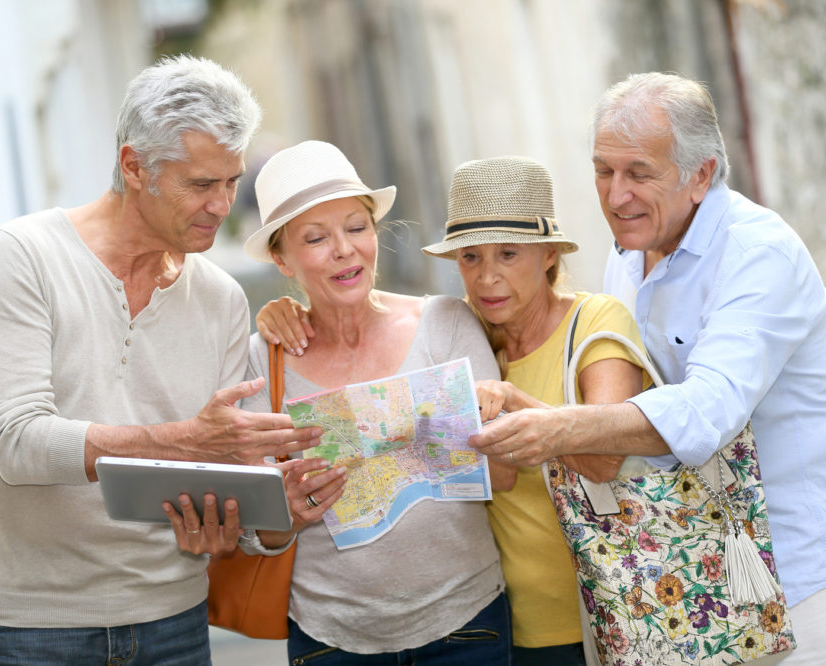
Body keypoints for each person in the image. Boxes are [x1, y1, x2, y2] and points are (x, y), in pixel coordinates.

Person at [0, 55, 321, 665]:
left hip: (171, 620)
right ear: (134, 166)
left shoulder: (221, 298)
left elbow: (231, 477)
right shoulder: (19, 258)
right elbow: (17, 444)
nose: (223, 203)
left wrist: (249, 520)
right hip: (29, 625)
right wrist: (186, 443)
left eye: (231, 181)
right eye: (201, 184)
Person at [470, 72, 826, 664]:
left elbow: (707, 409)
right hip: (691, 578)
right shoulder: (630, 250)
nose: (615, 196)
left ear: (702, 174)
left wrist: (558, 428)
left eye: (639, 173)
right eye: (603, 171)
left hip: (792, 575)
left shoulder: (757, 253)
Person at [259, 155, 649, 665]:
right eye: (470, 259)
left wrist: (510, 402)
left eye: (508, 254)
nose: (487, 279)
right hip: (509, 618)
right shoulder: (474, 328)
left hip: (599, 604)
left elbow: (601, 459)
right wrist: (279, 310)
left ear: (550, 253)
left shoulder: (588, 321)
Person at [239, 139, 511, 664]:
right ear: (281, 258)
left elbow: (501, 477)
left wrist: (478, 424)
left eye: (357, 228)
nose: (344, 249)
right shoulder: (262, 361)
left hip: (466, 625)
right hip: (331, 638)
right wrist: (291, 512)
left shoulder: (446, 321)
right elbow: (258, 533)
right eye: (316, 238)